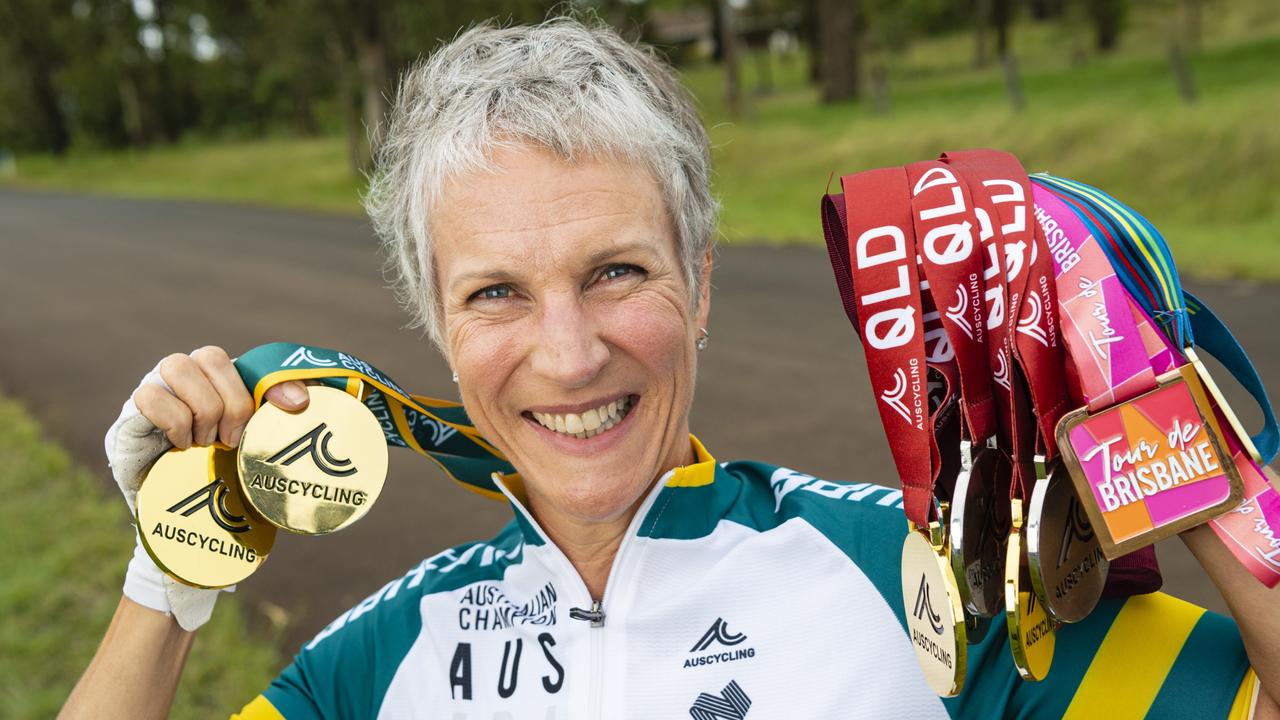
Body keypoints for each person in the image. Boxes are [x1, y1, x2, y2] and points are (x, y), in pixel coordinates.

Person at [62, 18, 1279, 720]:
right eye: (496, 292)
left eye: (615, 273)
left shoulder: (914, 576)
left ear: (698, 288)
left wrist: (1172, 422)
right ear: (436, 322)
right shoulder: (383, 660)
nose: (568, 351)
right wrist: (167, 579)